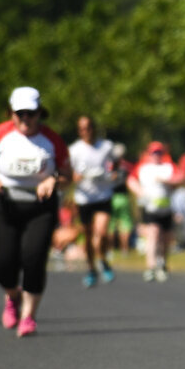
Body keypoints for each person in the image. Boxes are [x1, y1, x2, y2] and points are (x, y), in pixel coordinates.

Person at [0, 86, 71, 338]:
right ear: (11, 113)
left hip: (39, 207)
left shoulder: (52, 140)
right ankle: (12, 296)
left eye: (31, 113)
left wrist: (54, 181)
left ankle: (28, 317)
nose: (25, 119)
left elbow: (68, 174)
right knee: (2, 262)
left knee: (34, 258)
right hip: (3, 203)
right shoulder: (0, 134)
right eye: (20, 114)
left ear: (40, 113)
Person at [68, 115, 118, 287]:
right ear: (78, 131)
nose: (86, 131)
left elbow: (116, 164)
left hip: (103, 195)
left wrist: (113, 173)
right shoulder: (74, 149)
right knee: (88, 236)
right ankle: (91, 269)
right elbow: (68, 173)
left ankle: (103, 259)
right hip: (84, 198)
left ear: (94, 128)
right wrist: (75, 177)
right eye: (82, 129)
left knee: (102, 232)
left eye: (88, 127)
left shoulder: (106, 146)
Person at [127, 141, 178, 282]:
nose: (157, 155)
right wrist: (139, 192)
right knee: (153, 235)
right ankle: (151, 266)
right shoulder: (143, 167)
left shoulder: (168, 166)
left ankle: (163, 264)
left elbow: (180, 178)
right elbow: (131, 180)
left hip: (166, 208)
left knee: (166, 239)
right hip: (150, 208)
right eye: (154, 152)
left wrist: (167, 182)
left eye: (159, 152)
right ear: (149, 153)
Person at [107, 143, 135, 254]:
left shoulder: (109, 166)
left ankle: (110, 250)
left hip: (111, 197)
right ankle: (124, 249)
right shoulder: (127, 166)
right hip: (123, 197)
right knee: (125, 223)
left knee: (111, 224)